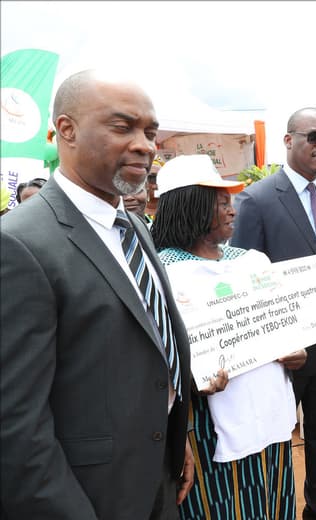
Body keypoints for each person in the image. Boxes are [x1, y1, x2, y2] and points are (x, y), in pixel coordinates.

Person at [0, 69, 193, 518]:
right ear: (65, 130)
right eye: (123, 127)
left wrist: (174, 438)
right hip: (87, 497)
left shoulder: (134, 228)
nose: (145, 144)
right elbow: (15, 425)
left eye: (150, 131)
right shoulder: (19, 244)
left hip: (156, 480)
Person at [231, 107, 316, 520]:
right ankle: (273, 507)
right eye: (314, 137)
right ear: (288, 140)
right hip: (281, 352)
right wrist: (268, 346)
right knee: (273, 435)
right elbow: (243, 279)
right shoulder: (256, 200)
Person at [151, 154, 303, 520]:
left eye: (230, 201)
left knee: (271, 499)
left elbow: (284, 330)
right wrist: (190, 380)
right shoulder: (161, 273)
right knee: (223, 505)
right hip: (207, 426)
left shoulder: (252, 262)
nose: (232, 210)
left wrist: (297, 354)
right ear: (191, 206)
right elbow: (155, 360)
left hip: (270, 420)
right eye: (221, 202)